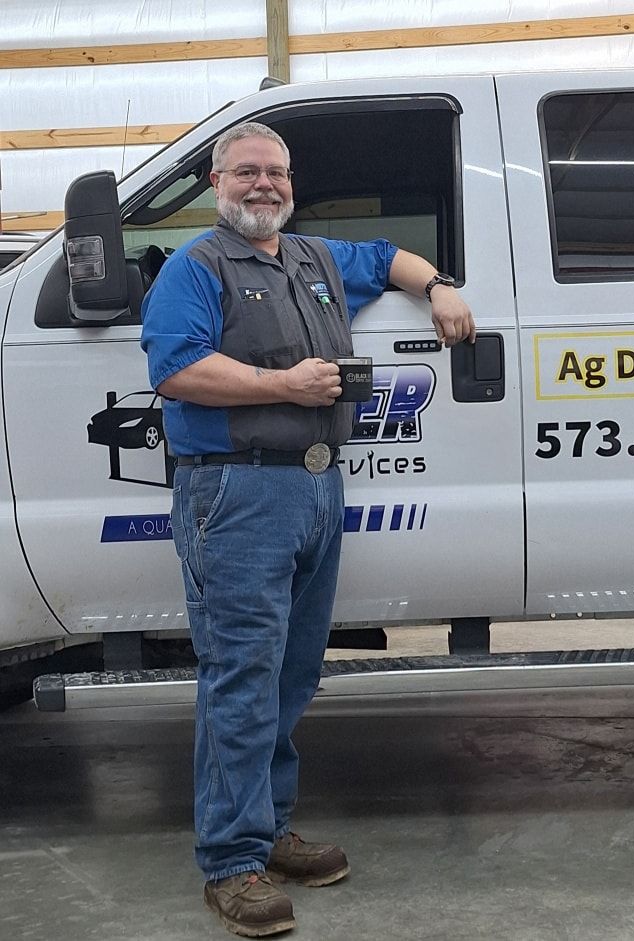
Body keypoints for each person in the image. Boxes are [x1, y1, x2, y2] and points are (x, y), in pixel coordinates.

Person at [140, 121, 475, 938]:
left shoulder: (315, 258)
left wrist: (440, 285)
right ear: (217, 184)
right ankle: (230, 862)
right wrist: (284, 384)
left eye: (277, 173)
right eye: (247, 172)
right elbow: (176, 367)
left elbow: (390, 256)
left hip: (317, 488)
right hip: (236, 492)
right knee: (242, 676)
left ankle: (270, 828)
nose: (265, 185)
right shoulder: (197, 266)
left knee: (291, 675)